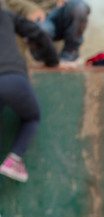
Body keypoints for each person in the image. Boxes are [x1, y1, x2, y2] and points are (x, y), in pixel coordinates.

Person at [0, 6, 58, 183]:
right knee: (32, 116)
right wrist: (53, 61)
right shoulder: (7, 15)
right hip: (11, 77)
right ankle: (15, 159)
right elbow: (38, 34)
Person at [6, 0, 90, 63]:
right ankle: (43, 58)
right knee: (41, 30)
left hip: (59, 10)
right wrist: (30, 9)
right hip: (36, 15)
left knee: (79, 6)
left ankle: (70, 55)